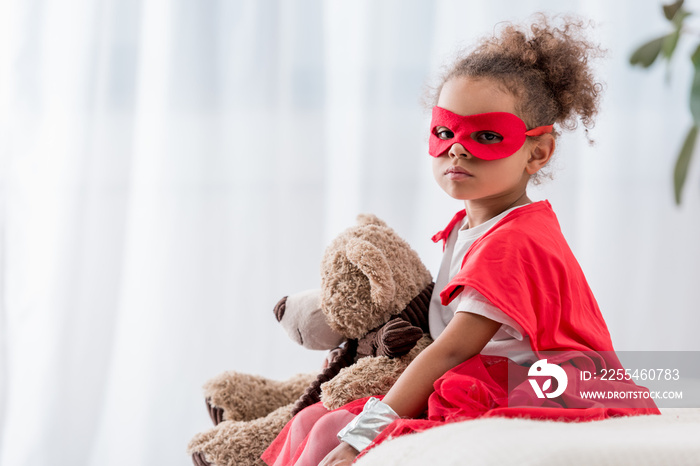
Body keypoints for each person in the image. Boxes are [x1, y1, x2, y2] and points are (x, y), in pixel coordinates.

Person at [262, 16, 659, 466]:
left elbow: (452, 348)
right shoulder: (471, 226)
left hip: (533, 385)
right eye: (446, 132)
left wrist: (359, 438)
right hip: (483, 372)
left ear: (539, 151)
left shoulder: (513, 243)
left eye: (487, 136)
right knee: (311, 419)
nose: (458, 148)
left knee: (333, 429)